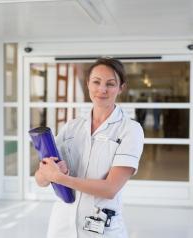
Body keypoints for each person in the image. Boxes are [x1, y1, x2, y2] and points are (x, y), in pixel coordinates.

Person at [35, 58, 144, 238]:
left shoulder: (130, 130)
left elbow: (110, 189)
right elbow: (41, 179)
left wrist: (59, 178)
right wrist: (47, 174)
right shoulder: (72, 127)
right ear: (87, 84)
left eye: (110, 84)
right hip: (62, 225)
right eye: (96, 82)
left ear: (121, 88)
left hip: (101, 228)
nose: (102, 89)